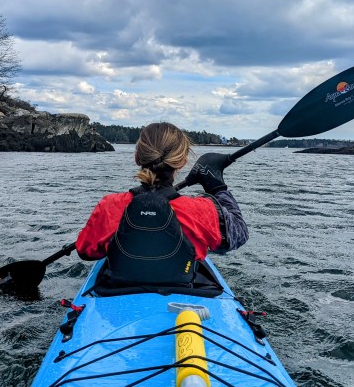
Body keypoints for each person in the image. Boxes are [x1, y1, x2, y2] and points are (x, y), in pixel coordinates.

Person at [75, 122, 248, 287]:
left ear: (137, 157)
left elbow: (85, 252)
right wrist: (217, 187)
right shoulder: (203, 210)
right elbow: (238, 234)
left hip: (118, 290)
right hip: (184, 295)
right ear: (182, 162)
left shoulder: (109, 206)